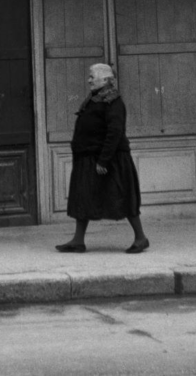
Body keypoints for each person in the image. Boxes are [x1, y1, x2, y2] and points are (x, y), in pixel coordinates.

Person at [56, 63, 150, 254]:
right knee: (83, 197)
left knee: (123, 197)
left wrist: (103, 161)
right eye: (89, 76)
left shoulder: (113, 102)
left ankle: (141, 238)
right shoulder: (95, 99)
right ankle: (78, 241)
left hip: (110, 160)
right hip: (89, 157)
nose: (89, 80)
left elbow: (115, 132)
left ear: (106, 79)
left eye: (92, 76)